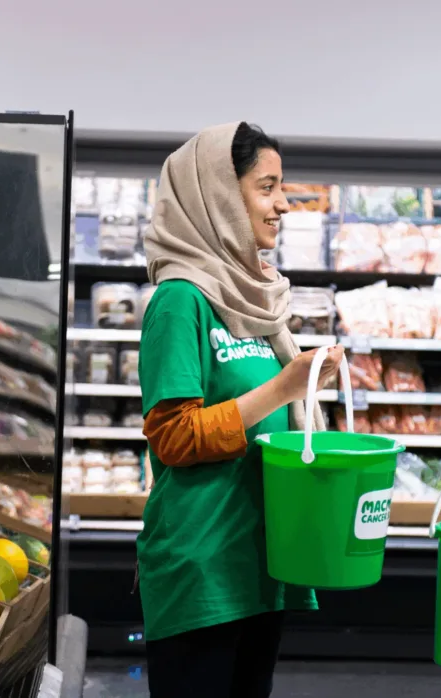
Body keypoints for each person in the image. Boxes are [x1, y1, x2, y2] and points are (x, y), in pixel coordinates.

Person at [135, 122, 344, 698]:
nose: (283, 204)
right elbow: (172, 438)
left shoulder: (255, 300)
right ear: (218, 193)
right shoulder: (182, 301)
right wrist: (282, 387)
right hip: (203, 567)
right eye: (266, 186)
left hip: (257, 563)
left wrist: (304, 385)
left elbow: (260, 416)